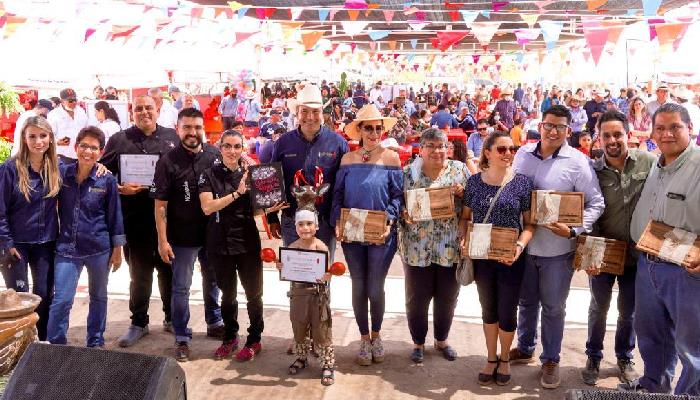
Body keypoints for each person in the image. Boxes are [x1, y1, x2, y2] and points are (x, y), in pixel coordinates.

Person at [510, 105, 605, 389]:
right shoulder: (522, 154)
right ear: (540, 125)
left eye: (560, 127)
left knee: (553, 307)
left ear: (568, 130)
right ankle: (526, 346)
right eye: (548, 125)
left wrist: (574, 229)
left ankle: (550, 359)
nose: (553, 131)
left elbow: (596, 202)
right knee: (526, 302)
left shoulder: (578, 162)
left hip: (557, 251)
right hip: (524, 247)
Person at [625, 103, 700, 395]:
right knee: (652, 336)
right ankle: (655, 385)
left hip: (685, 270)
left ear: (690, 129)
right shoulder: (658, 164)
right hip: (649, 264)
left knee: (691, 345)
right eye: (660, 128)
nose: (667, 134)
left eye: (675, 127)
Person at [580, 110, 655, 386]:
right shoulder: (591, 171)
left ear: (629, 135)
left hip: (637, 253)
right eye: (606, 135)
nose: (612, 140)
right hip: (603, 252)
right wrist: (589, 252)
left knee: (629, 310)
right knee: (599, 307)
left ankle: (624, 356)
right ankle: (593, 355)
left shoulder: (649, 162)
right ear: (598, 139)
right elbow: (586, 209)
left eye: (618, 134)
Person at [100, 95, 179, 347]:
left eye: (149, 108)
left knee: (169, 271)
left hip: (167, 220)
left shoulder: (172, 137)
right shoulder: (119, 139)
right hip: (134, 219)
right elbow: (102, 172)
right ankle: (139, 323)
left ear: (158, 111)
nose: (144, 112)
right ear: (132, 112)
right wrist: (120, 187)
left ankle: (171, 318)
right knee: (140, 273)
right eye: (139, 109)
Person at [459, 131, 535, 386]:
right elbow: (464, 218)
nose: (508, 154)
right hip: (482, 257)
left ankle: (504, 358)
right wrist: (463, 239)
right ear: (487, 152)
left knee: (507, 310)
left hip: (510, 258)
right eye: (501, 149)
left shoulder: (522, 183)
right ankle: (491, 358)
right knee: (488, 308)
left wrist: (519, 247)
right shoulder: (474, 183)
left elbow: (529, 224)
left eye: (512, 149)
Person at [331, 104, 403, 366]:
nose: (374, 133)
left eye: (378, 128)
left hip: (381, 233)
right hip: (352, 233)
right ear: (359, 130)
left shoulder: (391, 158)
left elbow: (397, 196)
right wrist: (338, 222)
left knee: (375, 286)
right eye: (369, 128)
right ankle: (363, 338)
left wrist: (390, 220)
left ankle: (377, 335)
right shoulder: (348, 160)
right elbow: (337, 195)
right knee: (358, 285)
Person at [199, 130, 279, 362]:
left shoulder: (251, 174)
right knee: (228, 295)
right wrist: (237, 193)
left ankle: (254, 339)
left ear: (243, 148)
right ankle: (230, 337)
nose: (232, 151)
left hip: (247, 242)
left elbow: (254, 210)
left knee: (254, 295)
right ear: (220, 147)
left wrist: (269, 208)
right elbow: (207, 207)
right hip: (219, 243)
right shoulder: (208, 175)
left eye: (237, 146)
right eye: (228, 146)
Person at [151, 108, 223, 361]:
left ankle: (214, 321)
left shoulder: (215, 156)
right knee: (181, 288)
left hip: (212, 234)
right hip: (182, 238)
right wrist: (163, 239)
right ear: (178, 128)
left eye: (197, 128)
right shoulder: (167, 161)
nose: (193, 133)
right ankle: (182, 336)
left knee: (213, 281)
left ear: (203, 129)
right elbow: (160, 204)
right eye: (187, 127)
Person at [46, 126, 125, 347]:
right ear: (76, 147)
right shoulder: (63, 174)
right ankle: (56, 344)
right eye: (84, 146)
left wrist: (117, 250)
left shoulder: (106, 179)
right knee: (61, 300)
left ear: (100, 153)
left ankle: (95, 342)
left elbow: (114, 215)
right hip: (67, 249)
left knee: (98, 297)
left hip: (99, 249)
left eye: (93, 148)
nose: (88, 152)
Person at [400, 128, 469, 364]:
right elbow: (397, 204)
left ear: (447, 148)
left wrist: (463, 193)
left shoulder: (459, 170)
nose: (437, 151)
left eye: (441, 146)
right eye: (431, 146)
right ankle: (418, 342)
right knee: (417, 298)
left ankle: (442, 340)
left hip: (449, 247)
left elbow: (472, 204)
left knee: (447, 297)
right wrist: (404, 214)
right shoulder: (408, 173)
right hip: (416, 248)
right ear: (421, 149)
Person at [268, 83, 349, 261]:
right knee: (296, 273)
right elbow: (273, 182)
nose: (310, 117)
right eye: (304, 111)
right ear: (296, 113)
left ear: (322, 113)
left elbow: (343, 185)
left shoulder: (338, 143)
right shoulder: (282, 143)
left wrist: (339, 218)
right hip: (291, 221)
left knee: (322, 274)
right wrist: (272, 217)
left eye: (315, 111)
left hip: (325, 221)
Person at [0, 116, 61, 341]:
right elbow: (0, 210)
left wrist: (101, 167)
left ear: (51, 138)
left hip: (46, 243)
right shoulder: (9, 169)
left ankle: (41, 341)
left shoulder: (57, 167)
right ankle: (18, 343)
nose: (38, 141)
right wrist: (7, 243)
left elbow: (84, 168)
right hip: (17, 246)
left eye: (43, 136)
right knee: (17, 296)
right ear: (24, 139)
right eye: (32, 136)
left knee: (45, 294)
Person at [278, 209, 335, 386]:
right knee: (299, 327)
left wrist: (328, 275)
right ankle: (302, 357)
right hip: (298, 294)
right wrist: (281, 267)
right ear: (296, 228)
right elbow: (287, 271)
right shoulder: (292, 248)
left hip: (318, 296)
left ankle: (327, 364)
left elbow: (328, 271)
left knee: (322, 330)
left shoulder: (321, 247)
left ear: (316, 226)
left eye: (309, 223)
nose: (305, 228)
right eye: (301, 224)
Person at [47, 88, 88, 162]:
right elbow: (48, 134)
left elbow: (86, 129)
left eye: (75, 100)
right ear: (62, 101)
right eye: (70, 101)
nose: (74, 103)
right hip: (62, 154)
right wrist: (57, 141)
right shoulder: (53, 114)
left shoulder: (81, 112)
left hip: (80, 154)